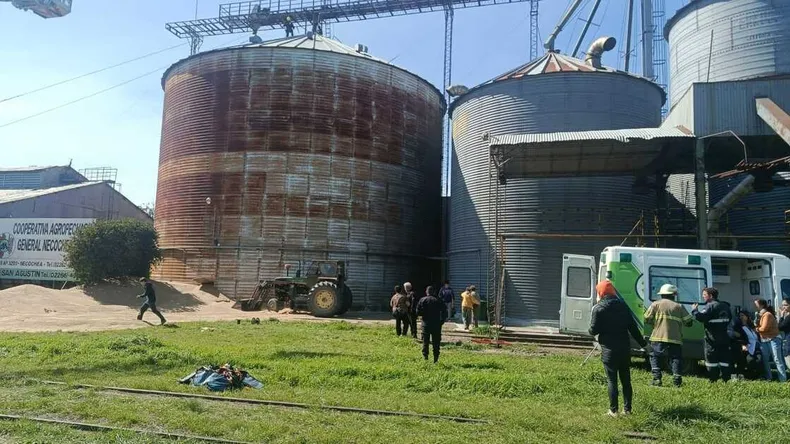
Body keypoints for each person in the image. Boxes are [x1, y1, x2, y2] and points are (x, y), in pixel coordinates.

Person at [589, 281, 648, 417]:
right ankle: (627, 410)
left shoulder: (599, 308)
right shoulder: (623, 306)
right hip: (624, 348)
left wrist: (592, 329)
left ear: (601, 293)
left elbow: (593, 330)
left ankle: (613, 411)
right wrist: (643, 344)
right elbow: (633, 328)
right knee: (626, 380)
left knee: (612, 380)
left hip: (609, 350)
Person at [644, 284, 693, 387]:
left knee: (655, 356)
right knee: (675, 358)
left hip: (658, 336)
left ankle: (657, 379)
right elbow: (689, 323)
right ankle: (677, 381)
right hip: (675, 338)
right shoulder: (679, 306)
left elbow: (647, 318)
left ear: (661, 294)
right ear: (674, 294)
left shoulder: (655, 304)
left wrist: (655, 323)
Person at [691, 287, 732, 382]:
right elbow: (729, 319)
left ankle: (713, 380)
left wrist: (694, 310)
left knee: (711, 360)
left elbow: (701, 317)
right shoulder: (725, 306)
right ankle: (726, 379)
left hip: (712, 339)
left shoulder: (710, 306)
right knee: (724, 360)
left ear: (711, 296)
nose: (703, 297)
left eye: (704, 295)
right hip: (724, 338)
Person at [754, 299, 787, 382]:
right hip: (765, 339)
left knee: (777, 359)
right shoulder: (760, 315)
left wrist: (756, 329)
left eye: (756, 304)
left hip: (773, 338)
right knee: (765, 359)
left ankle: (783, 379)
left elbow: (764, 328)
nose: (755, 306)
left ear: (761, 305)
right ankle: (769, 377)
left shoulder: (767, 315)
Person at [729, 310, 762, 380]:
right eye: (740, 315)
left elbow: (757, 336)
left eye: (742, 315)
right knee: (749, 361)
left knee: (759, 360)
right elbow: (738, 336)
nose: (741, 317)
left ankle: (755, 376)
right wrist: (743, 344)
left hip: (756, 346)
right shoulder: (738, 326)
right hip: (746, 347)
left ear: (747, 316)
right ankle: (744, 376)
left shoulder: (751, 326)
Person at [416, 286, 446, 363]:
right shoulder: (439, 300)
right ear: (434, 292)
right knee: (436, 342)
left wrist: (423, 315)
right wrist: (441, 321)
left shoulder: (422, 300)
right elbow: (444, 312)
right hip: (436, 324)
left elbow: (418, 312)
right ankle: (436, 359)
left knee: (425, 341)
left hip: (426, 323)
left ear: (426, 292)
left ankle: (425, 357)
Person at [779, 298, 790, 369]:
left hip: (788, 339)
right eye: (782, 305)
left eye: (785, 305)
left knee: (788, 358)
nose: (783, 307)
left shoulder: (788, 317)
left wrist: (781, 317)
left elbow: (780, 327)